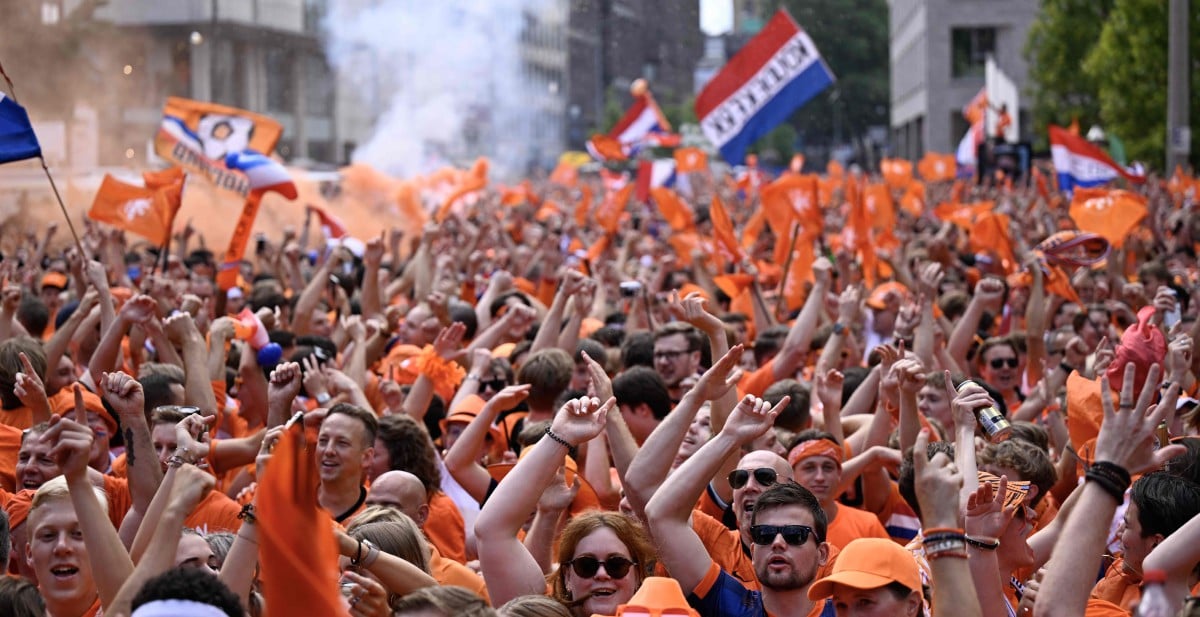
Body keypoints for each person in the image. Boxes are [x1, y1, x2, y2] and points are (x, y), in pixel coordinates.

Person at [647, 392, 836, 617]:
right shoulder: (728, 604)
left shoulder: (845, 612)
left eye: (795, 535)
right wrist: (729, 437)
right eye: (764, 534)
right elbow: (660, 513)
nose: (777, 542)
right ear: (754, 551)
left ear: (822, 553)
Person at [316, 402, 378, 523]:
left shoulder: (377, 517)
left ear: (366, 457)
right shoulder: (293, 500)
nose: (329, 451)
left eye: (342, 443)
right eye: (323, 440)